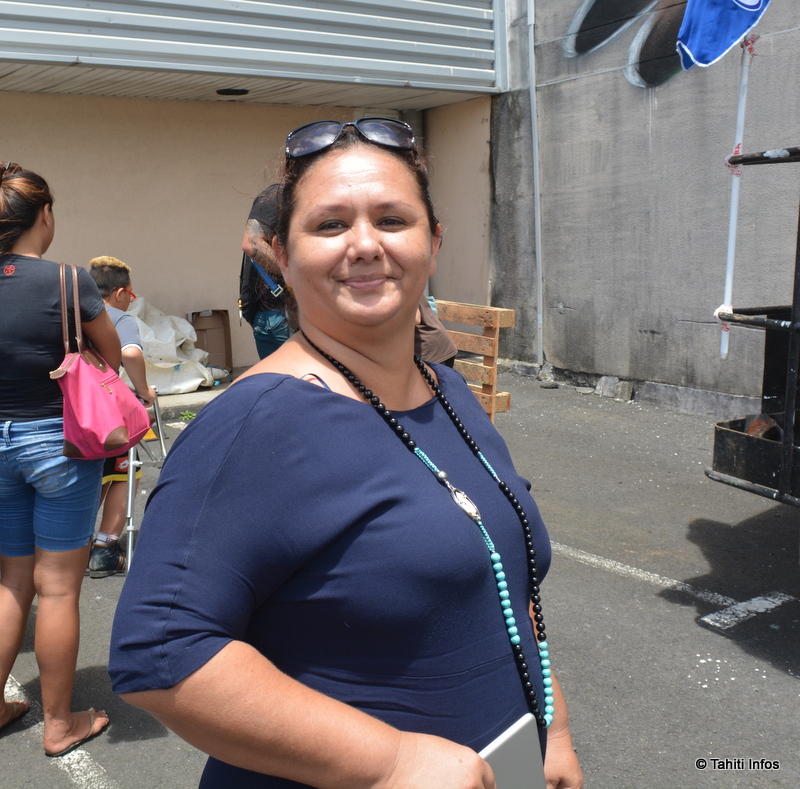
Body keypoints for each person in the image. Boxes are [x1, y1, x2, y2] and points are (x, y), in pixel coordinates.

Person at [108, 119, 583, 789]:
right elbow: (160, 652)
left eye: (392, 219)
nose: (365, 244)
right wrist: (389, 760)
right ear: (281, 255)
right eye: (330, 225)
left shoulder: (447, 391)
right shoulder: (256, 422)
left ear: (433, 242)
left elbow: (502, 578)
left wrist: (550, 729)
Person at [0, 162, 118, 755]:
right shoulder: (69, 281)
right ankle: (59, 724)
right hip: (60, 441)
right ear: (44, 214)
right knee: (59, 587)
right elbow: (111, 356)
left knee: (11, 580)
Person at [86, 256, 156, 578]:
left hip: (62, 413)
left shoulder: (68, 314)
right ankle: (104, 548)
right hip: (105, 414)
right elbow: (130, 352)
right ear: (118, 293)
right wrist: (144, 392)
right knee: (125, 470)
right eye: (131, 294)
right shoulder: (117, 317)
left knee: (88, 475)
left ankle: (76, 544)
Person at [240, 184, 293, 358]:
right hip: (278, 312)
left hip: (281, 313)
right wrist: (293, 276)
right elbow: (252, 244)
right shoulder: (278, 194)